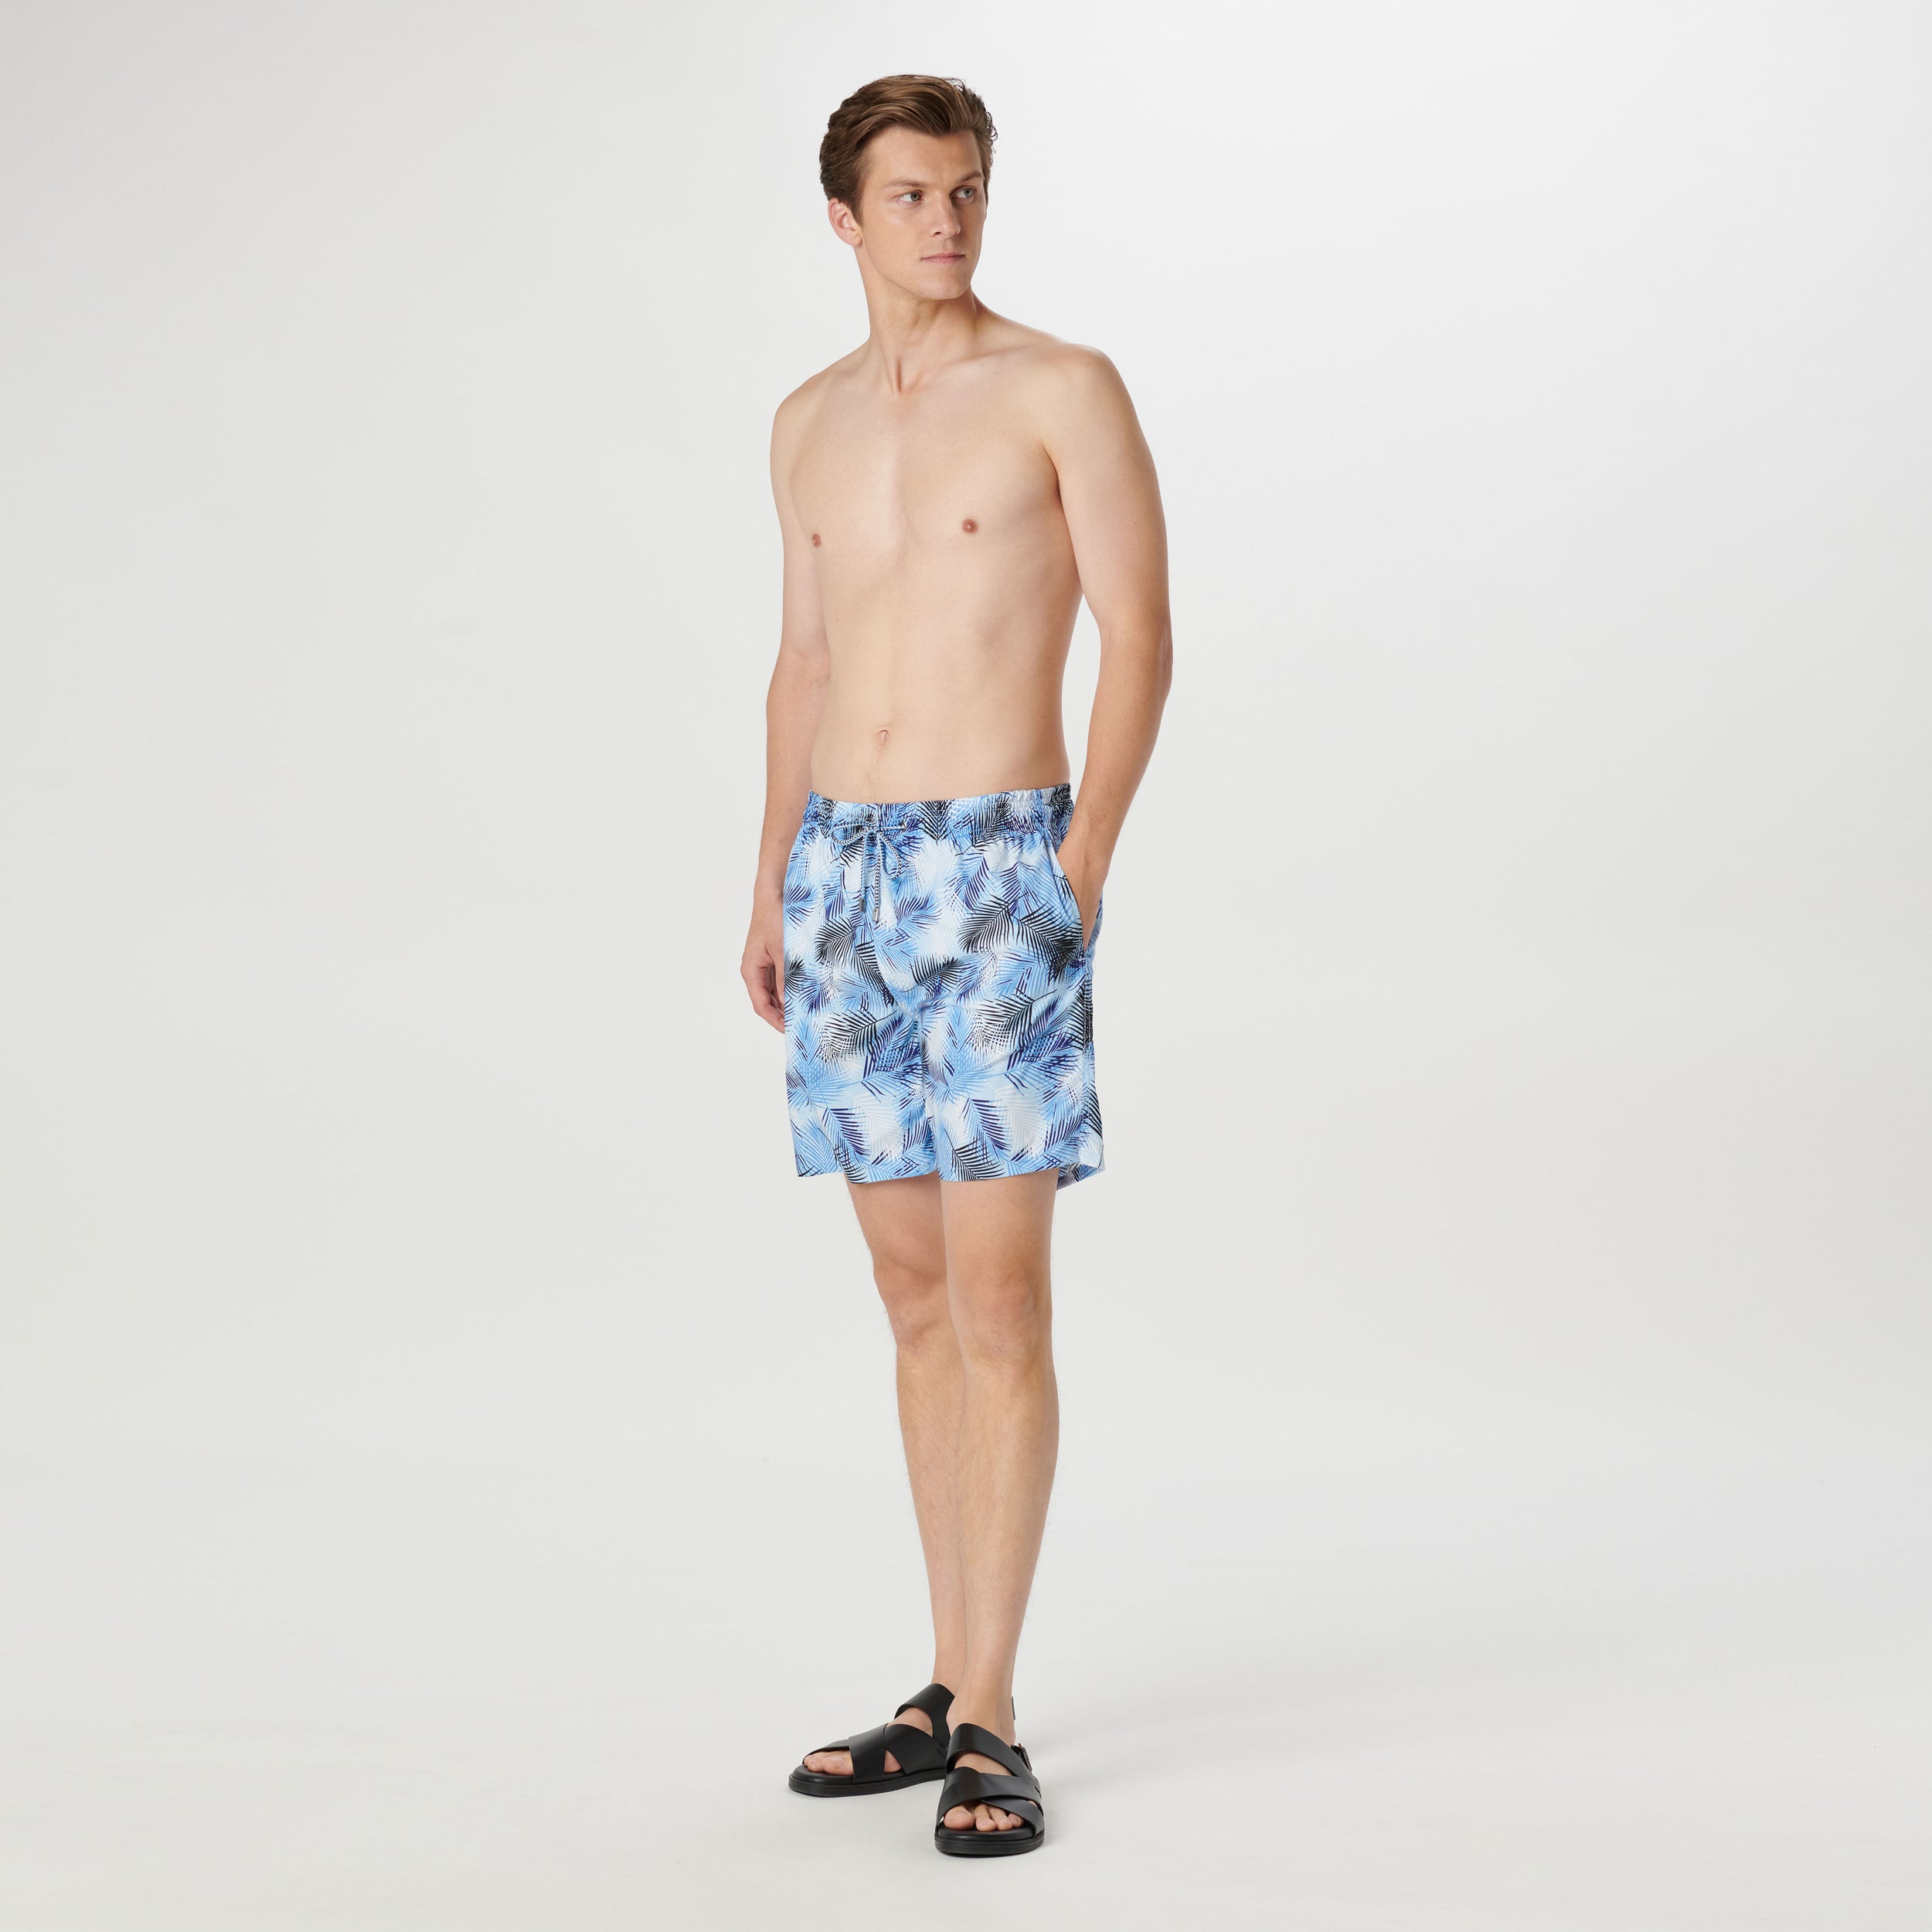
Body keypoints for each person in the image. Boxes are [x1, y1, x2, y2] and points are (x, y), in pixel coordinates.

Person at [740, 73, 1172, 1858]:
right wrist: (769, 881)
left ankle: (992, 1709)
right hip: (844, 878)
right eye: (913, 194)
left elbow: (1140, 637)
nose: (947, 220)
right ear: (844, 218)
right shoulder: (806, 421)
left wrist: (1079, 862)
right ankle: (940, 1679)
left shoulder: (1062, 387)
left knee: (999, 1299)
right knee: (910, 1296)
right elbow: (802, 660)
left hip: (1000, 867)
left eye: (966, 189)